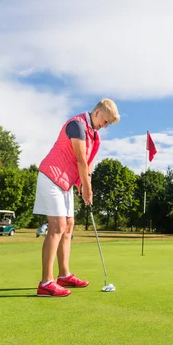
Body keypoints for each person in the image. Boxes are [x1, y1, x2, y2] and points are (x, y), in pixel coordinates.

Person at [33, 98, 120, 297]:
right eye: (105, 121)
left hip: (65, 182)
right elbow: (80, 160)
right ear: (97, 113)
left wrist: (85, 186)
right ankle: (46, 282)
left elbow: (88, 165)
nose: (104, 126)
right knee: (56, 227)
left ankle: (63, 275)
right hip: (51, 176)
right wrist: (87, 189)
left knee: (69, 225)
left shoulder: (94, 135)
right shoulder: (77, 126)